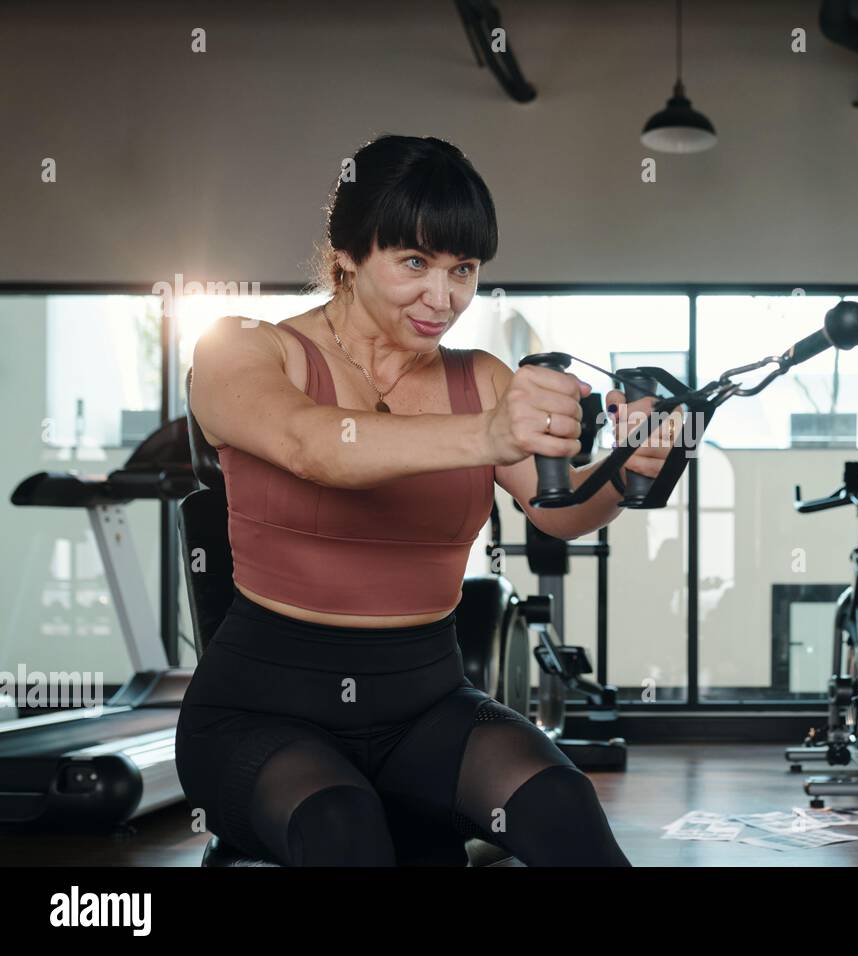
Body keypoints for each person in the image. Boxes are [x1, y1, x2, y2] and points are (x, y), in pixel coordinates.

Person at [175, 134, 673, 866]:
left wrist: (630, 473)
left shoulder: (483, 377)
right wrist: (491, 434)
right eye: (414, 263)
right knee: (342, 828)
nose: (442, 299)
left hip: (424, 705)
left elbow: (558, 514)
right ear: (347, 254)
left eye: (462, 269)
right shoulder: (245, 349)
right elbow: (318, 447)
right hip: (263, 711)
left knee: (562, 808)